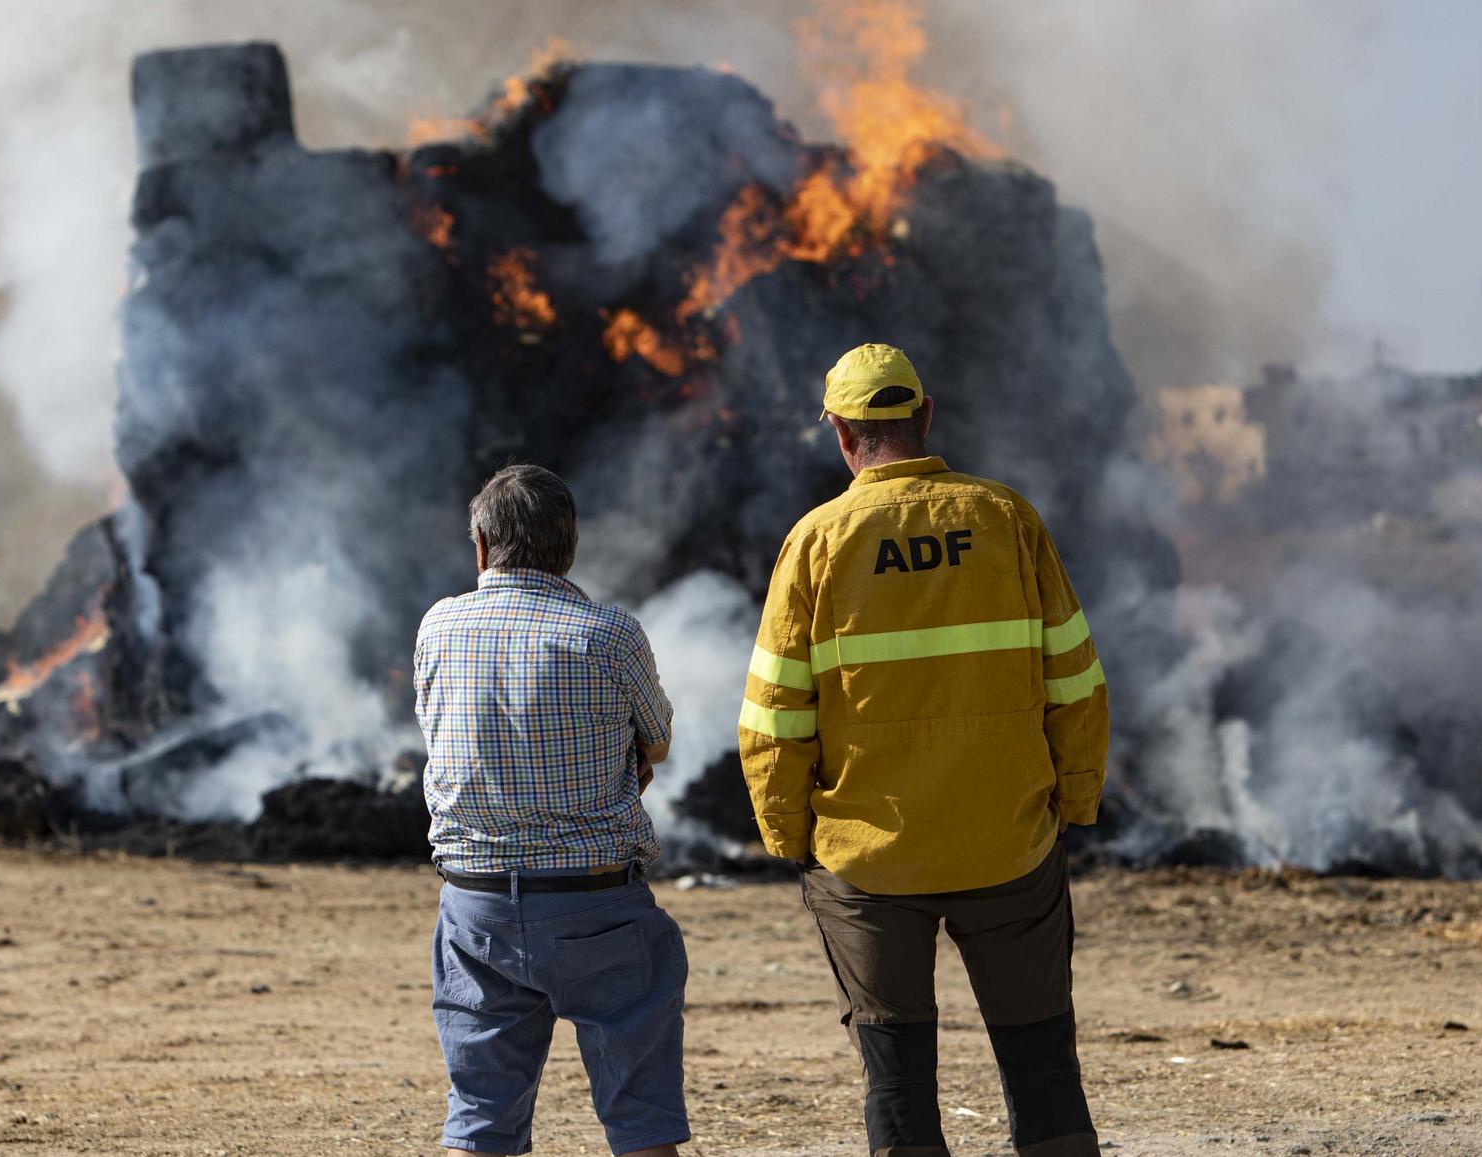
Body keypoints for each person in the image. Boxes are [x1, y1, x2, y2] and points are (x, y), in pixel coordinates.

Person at [737, 344, 1109, 1157]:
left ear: (840, 432)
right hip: (1009, 845)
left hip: (868, 859)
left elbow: (772, 717)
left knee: (899, 1086)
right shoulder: (1007, 517)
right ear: (926, 416)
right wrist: (1072, 800)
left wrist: (788, 832)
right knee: (1044, 1067)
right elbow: (1077, 681)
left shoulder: (816, 541)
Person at [414, 463, 690, 1157]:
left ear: (481, 545)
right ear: (569, 545)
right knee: (643, 1117)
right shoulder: (610, 633)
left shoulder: (438, 626)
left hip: (475, 912)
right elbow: (656, 738)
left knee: (479, 1117)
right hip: (597, 905)